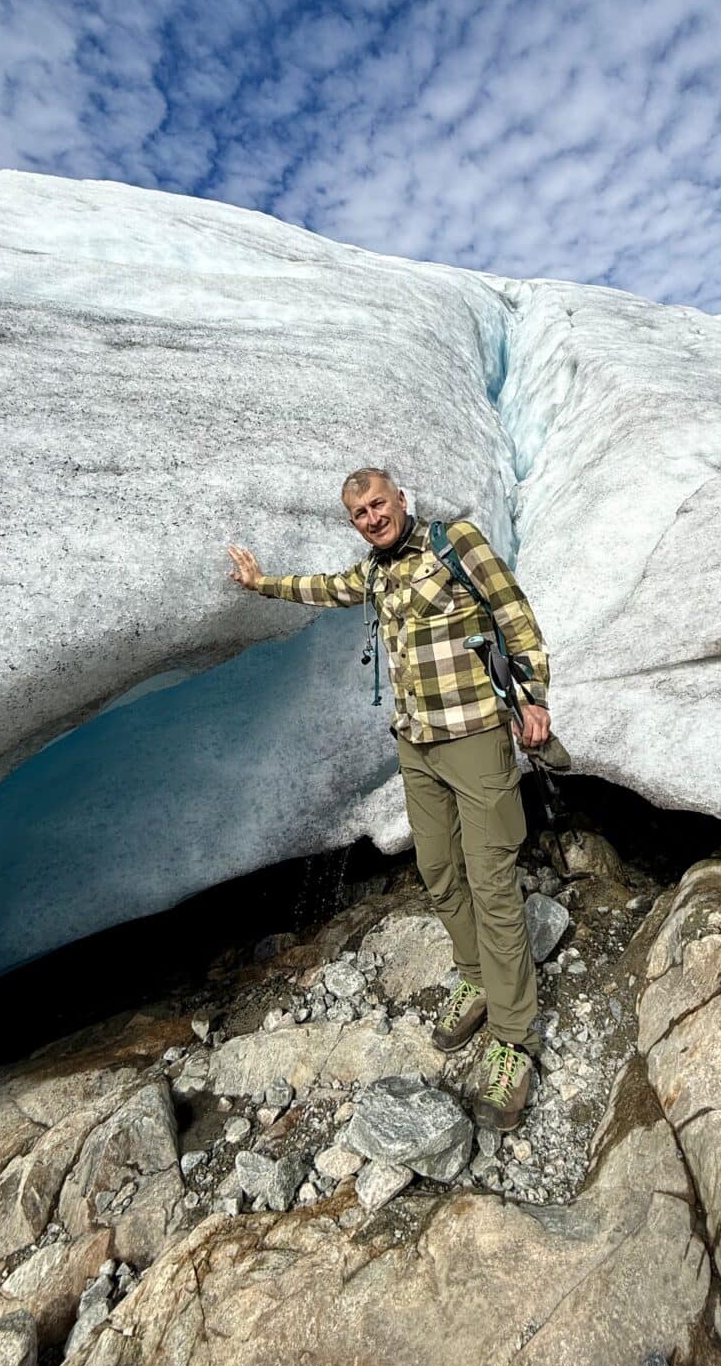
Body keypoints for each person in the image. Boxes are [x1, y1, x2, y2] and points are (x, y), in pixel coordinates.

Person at [226, 467, 552, 1130]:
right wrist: (263, 583)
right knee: (437, 867)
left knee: (491, 882)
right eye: (359, 514)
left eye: (377, 504)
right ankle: (476, 977)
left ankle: (514, 1040)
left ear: (400, 498)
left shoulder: (455, 542)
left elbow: (514, 614)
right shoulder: (373, 573)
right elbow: (326, 588)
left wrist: (533, 694)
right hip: (417, 744)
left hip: (476, 736)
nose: (372, 518)